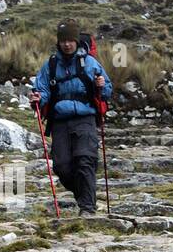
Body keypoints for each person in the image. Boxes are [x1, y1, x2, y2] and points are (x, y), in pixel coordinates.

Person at [30, 21, 112, 217]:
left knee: (85, 160)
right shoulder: (50, 65)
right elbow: (42, 90)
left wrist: (102, 85)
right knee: (62, 166)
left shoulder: (90, 63)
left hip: (85, 118)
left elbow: (107, 91)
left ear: (76, 41)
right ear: (58, 43)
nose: (67, 44)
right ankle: (85, 195)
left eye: (70, 40)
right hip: (59, 121)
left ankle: (87, 208)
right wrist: (38, 98)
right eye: (63, 41)